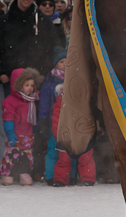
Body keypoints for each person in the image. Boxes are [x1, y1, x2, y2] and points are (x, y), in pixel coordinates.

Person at [0, 0, 57, 85]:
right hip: (10, 81)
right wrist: (2, 74)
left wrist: (44, 73)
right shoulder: (4, 22)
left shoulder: (43, 22)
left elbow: (52, 48)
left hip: (36, 82)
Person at [51, 84, 96, 187]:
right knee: (64, 157)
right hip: (66, 132)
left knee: (86, 156)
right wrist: (56, 131)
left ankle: (88, 178)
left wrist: (93, 129)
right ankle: (60, 179)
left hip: (82, 132)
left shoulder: (85, 100)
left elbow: (91, 115)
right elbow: (56, 116)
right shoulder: (61, 100)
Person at [0, 67, 39, 185]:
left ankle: (24, 173)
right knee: (11, 154)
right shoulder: (11, 100)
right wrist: (10, 132)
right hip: (15, 134)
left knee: (26, 155)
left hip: (28, 134)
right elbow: (8, 117)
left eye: (32, 85)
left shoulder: (33, 99)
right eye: (27, 85)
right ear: (18, 85)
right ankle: (7, 174)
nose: (30, 88)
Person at [38, 50, 67, 185]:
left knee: (68, 150)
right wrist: (43, 120)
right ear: (55, 64)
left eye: (67, 62)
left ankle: (68, 176)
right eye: (61, 62)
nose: (65, 64)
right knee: (52, 150)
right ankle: (50, 176)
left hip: (68, 121)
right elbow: (44, 104)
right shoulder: (49, 83)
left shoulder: (73, 80)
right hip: (52, 121)